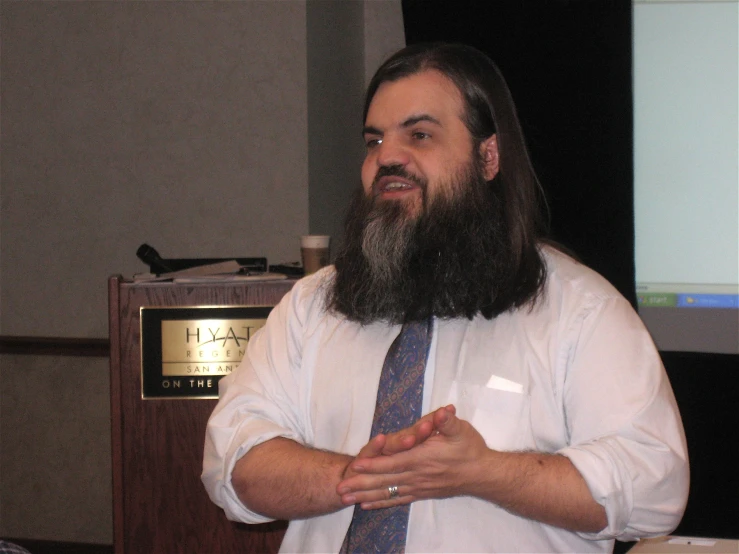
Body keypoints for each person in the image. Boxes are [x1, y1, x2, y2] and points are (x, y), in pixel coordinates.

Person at [202, 43, 689, 553]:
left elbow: (656, 487)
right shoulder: (312, 305)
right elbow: (233, 462)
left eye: (419, 134)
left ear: (488, 156)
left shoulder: (580, 310)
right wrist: (365, 474)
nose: (387, 157)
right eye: (374, 141)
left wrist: (484, 473)